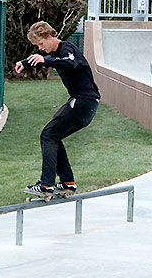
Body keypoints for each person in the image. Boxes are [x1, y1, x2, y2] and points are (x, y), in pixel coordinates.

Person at [15, 21, 101, 197]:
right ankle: (67, 182)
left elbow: (69, 62)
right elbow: (50, 60)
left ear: (49, 36)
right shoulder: (55, 53)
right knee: (54, 136)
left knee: (48, 134)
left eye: (41, 43)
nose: (40, 48)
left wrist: (45, 60)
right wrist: (25, 62)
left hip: (83, 101)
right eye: (37, 45)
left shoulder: (66, 48)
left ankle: (46, 185)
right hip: (85, 102)